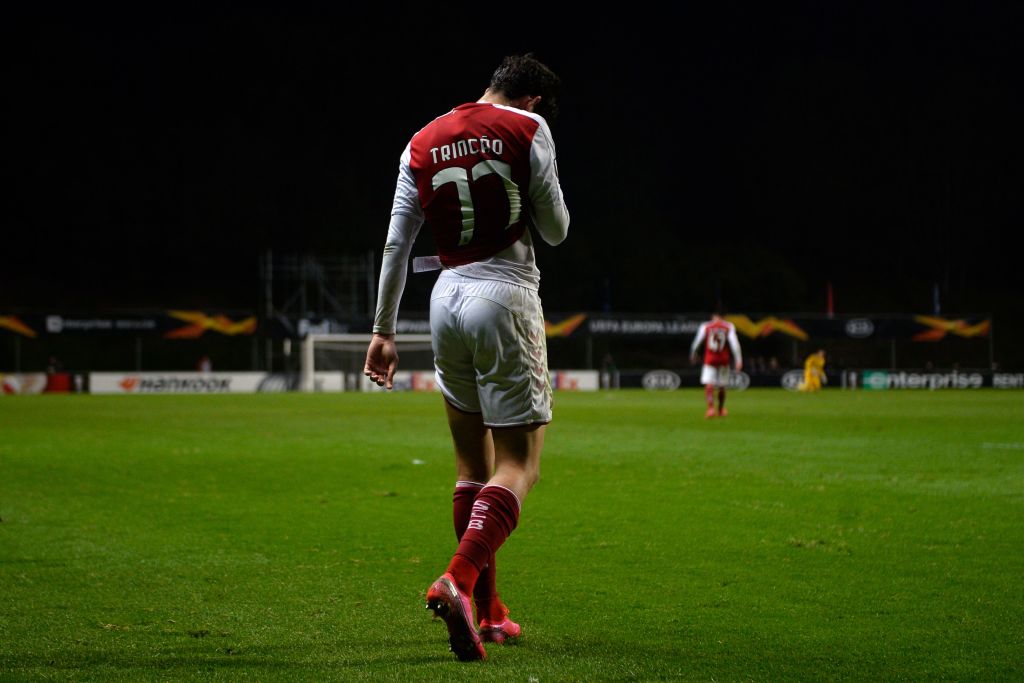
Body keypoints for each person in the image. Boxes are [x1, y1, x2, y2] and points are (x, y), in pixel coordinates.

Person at [363, 54, 569, 661]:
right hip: (503, 294)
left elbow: (396, 244)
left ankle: (489, 612)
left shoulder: (421, 140)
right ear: (531, 100)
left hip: (444, 299)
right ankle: (457, 577)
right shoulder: (528, 128)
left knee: (470, 467)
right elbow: (556, 229)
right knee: (519, 464)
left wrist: (383, 331)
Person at [689, 311, 742, 418]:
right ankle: (721, 410)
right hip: (723, 360)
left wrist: (693, 354)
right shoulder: (728, 326)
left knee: (709, 384)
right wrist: (738, 360)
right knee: (722, 385)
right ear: (724, 317)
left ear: (713, 316)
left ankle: (710, 409)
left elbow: (697, 342)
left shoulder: (706, 326)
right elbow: (735, 344)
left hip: (710, 360)